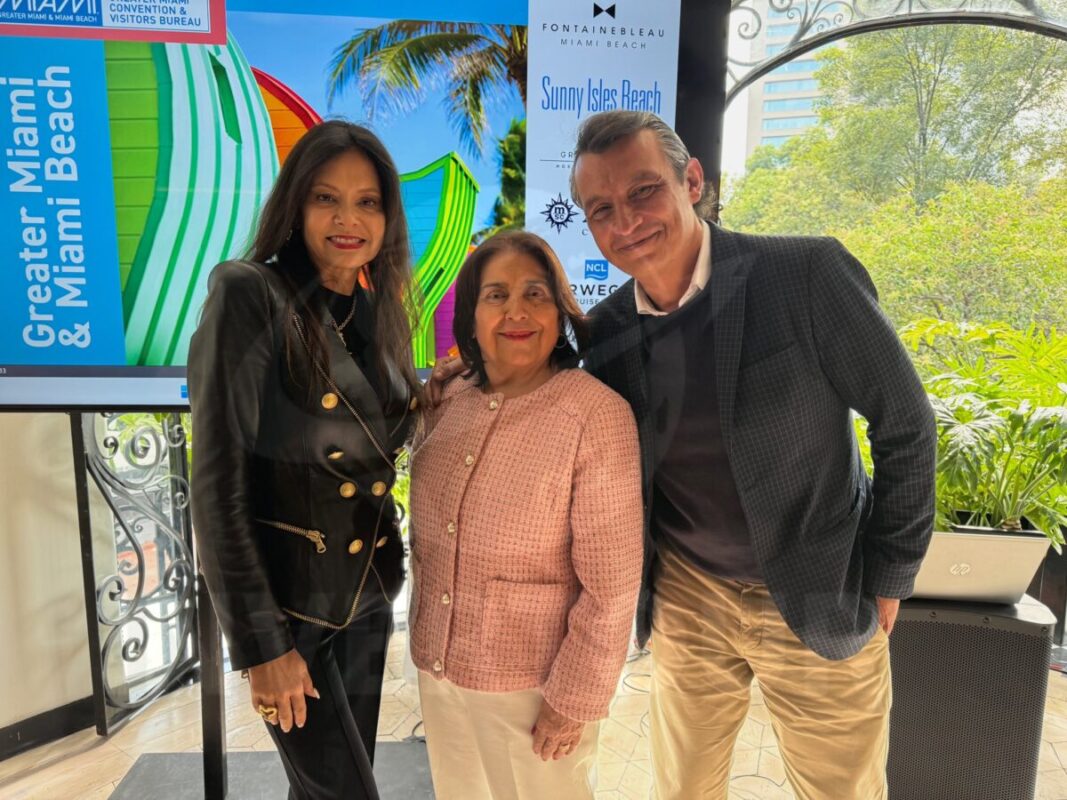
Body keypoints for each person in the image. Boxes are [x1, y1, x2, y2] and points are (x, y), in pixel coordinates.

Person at [570, 110, 937, 799]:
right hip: (689, 595)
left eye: (644, 191)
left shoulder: (804, 274)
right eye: (602, 210)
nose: (627, 221)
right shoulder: (608, 331)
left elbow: (906, 420)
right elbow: (550, 398)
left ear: (692, 181)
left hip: (820, 579)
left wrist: (892, 569)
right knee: (682, 789)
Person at [188, 120, 421, 800]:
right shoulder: (250, 293)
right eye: (326, 198)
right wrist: (263, 645)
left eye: (367, 202)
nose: (348, 219)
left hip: (366, 595)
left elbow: (378, 441)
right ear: (296, 205)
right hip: (293, 610)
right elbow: (218, 487)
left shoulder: (378, 312)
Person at [409, 231, 644, 800]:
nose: (516, 311)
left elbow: (612, 585)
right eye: (496, 295)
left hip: (535, 691)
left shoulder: (595, 415)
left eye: (535, 294)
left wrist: (574, 700)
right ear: (471, 315)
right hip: (439, 672)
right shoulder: (447, 401)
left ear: (559, 311)